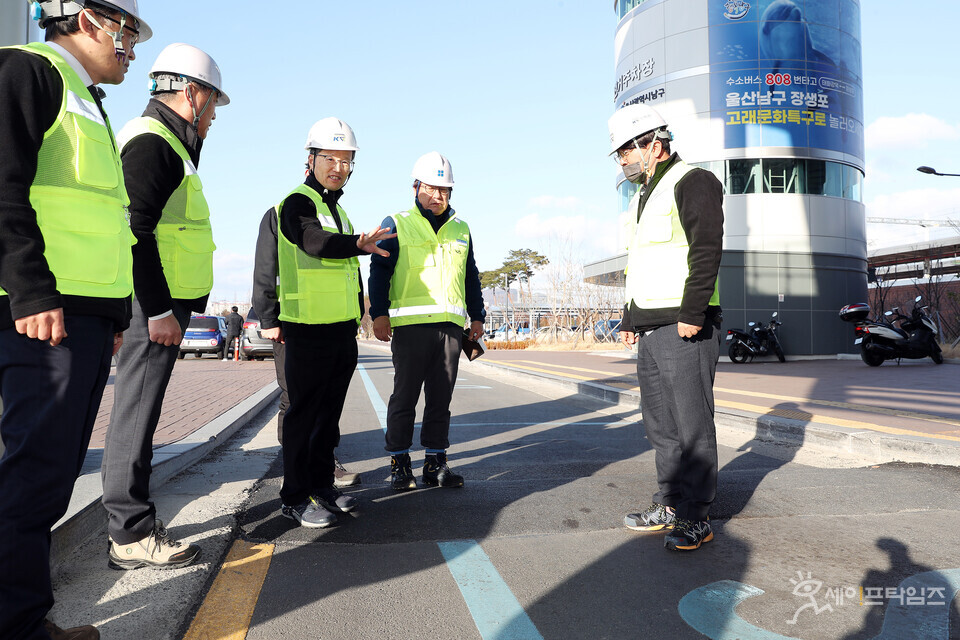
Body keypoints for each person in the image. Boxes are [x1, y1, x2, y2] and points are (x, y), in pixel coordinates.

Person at [0, 1, 150, 637]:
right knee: (34, 477)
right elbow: (3, 187)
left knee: (52, 477)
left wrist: (113, 315)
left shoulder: (85, 98)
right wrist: (32, 292)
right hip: (44, 316)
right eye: (127, 33)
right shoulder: (28, 72)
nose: (132, 49)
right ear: (88, 20)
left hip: (80, 317)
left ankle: (27, 618)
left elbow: (101, 221)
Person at [100, 42, 227, 571]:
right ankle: (130, 534)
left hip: (160, 305)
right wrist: (156, 311)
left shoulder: (166, 143)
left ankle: (130, 526)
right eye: (214, 103)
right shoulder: (154, 143)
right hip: (154, 307)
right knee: (136, 412)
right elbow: (136, 228)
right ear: (191, 94)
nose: (215, 116)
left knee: (140, 411)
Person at [608, 104, 724, 552]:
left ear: (654, 145)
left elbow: (705, 249)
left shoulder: (692, 181)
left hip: (685, 327)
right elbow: (641, 265)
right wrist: (630, 318)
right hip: (653, 329)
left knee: (692, 425)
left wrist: (693, 313)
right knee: (661, 426)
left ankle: (697, 516)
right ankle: (670, 504)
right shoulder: (644, 196)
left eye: (626, 152)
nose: (623, 161)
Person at [275, 118, 393, 528]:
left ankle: (322, 487)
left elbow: (345, 271)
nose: (338, 168)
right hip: (307, 328)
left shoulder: (337, 210)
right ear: (310, 159)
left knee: (328, 418)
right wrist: (356, 245)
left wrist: (357, 315)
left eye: (346, 161)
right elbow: (313, 242)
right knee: (303, 417)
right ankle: (294, 497)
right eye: (330, 158)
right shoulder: (297, 203)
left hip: (340, 330)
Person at [368, 152, 485, 491]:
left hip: (450, 328)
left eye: (444, 190)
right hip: (411, 328)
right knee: (404, 398)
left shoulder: (461, 228)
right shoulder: (396, 222)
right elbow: (380, 270)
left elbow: (470, 275)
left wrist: (477, 315)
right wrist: (379, 313)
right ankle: (399, 463)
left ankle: (435, 463)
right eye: (431, 188)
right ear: (416, 187)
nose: (437, 195)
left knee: (440, 400)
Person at [251, 207, 361, 487]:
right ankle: (294, 472)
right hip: (293, 322)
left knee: (326, 400)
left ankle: (324, 466)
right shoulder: (281, 211)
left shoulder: (339, 214)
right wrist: (269, 317)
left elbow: (350, 268)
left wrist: (356, 313)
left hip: (331, 323)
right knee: (295, 398)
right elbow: (266, 266)